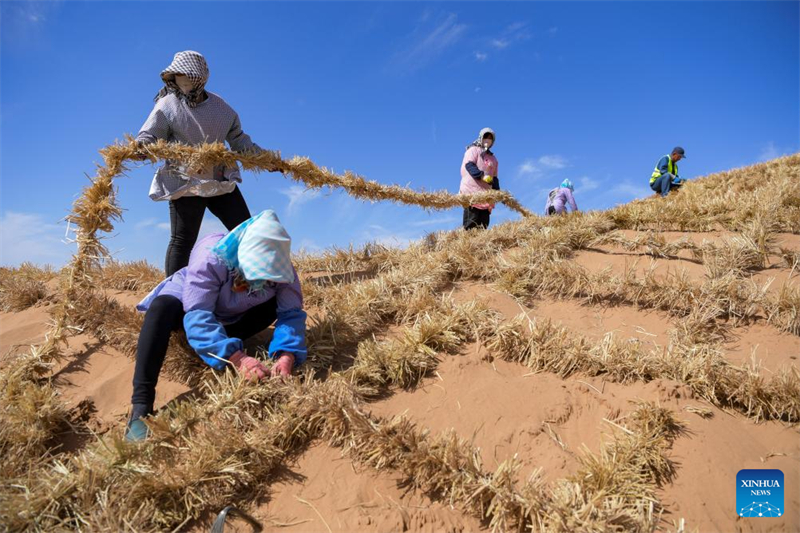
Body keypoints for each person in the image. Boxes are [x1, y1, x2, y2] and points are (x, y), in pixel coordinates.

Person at [125, 210, 307, 441]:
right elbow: (198, 313)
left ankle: (218, 343)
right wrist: (237, 358)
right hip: (189, 304)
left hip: (234, 314)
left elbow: (291, 314)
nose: (264, 282)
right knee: (161, 308)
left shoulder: (283, 269)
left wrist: (286, 355)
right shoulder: (211, 256)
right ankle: (141, 405)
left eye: (270, 279)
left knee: (274, 307)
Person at [134, 50, 273, 276]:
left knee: (246, 231)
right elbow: (149, 135)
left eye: (185, 74)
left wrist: (266, 159)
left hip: (218, 180)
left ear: (200, 75)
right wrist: (141, 148)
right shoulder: (167, 104)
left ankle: (260, 279)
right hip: (184, 182)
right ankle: (173, 293)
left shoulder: (222, 108)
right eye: (176, 75)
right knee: (182, 240)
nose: (181, 80)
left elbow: (239, 140)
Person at [460, 128, 500, 230]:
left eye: (490, 138)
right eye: (486, 137)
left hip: (485, 197)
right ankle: (468, 245)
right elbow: (469, 165)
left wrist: (497, 193)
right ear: (481, 137)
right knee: (471, 224)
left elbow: (494, 177)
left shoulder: (493, 159)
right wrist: (482, 176)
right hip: (472, 194)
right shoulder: (473, 150)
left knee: (483, 225)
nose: (488, 140)